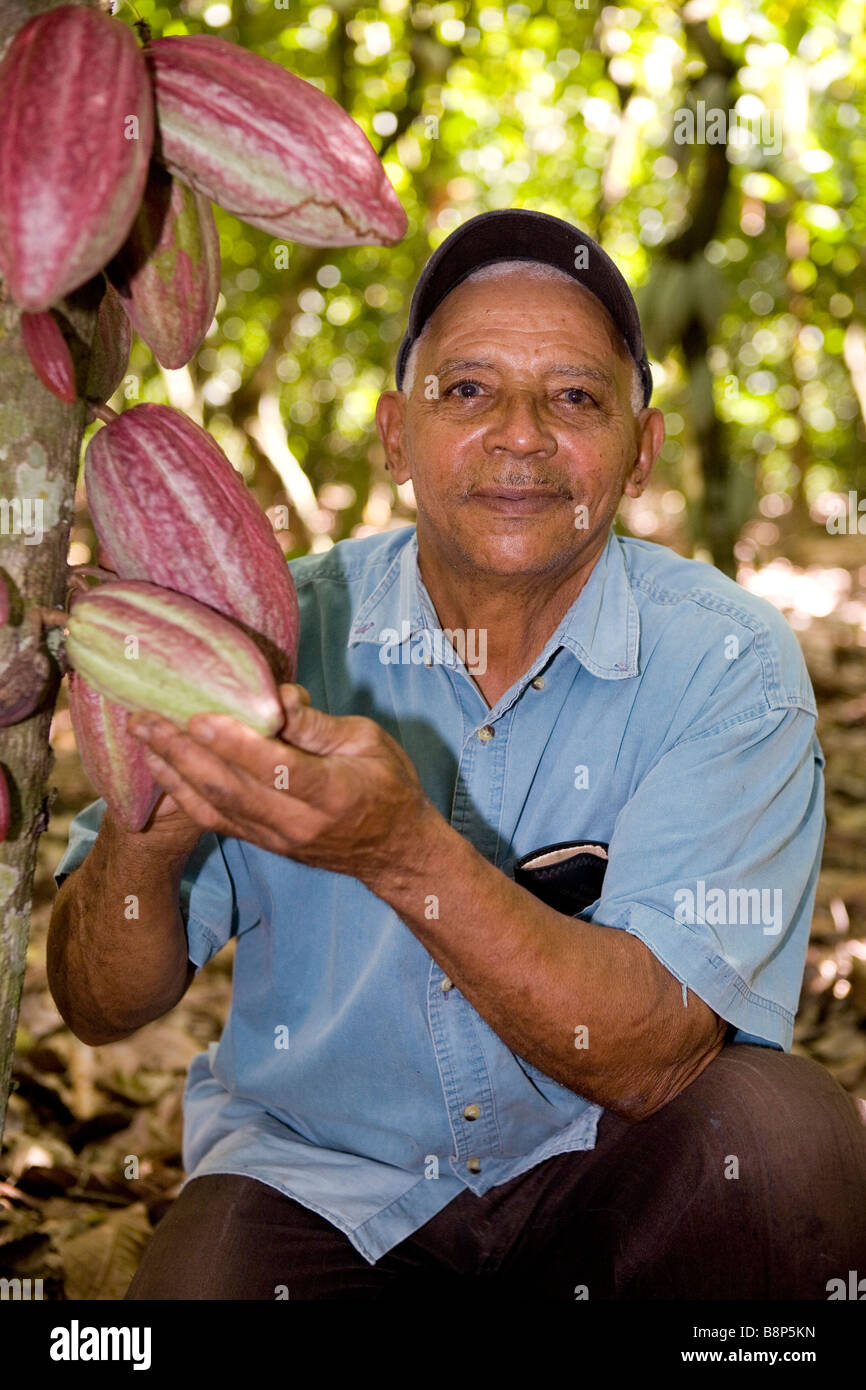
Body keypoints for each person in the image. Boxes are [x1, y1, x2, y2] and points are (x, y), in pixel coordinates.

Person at [48, 209, 866, 1300]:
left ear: (641, 446)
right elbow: (101, 1004)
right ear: (394, 435)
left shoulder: (724, 659)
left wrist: (400, 851)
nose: (519, 432)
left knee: (782, 1153)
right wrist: (146, 845)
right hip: (319, 1183)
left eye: (574, 396)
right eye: (466, 389)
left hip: (603, 1168)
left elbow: (649, 1050)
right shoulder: (264, 631)